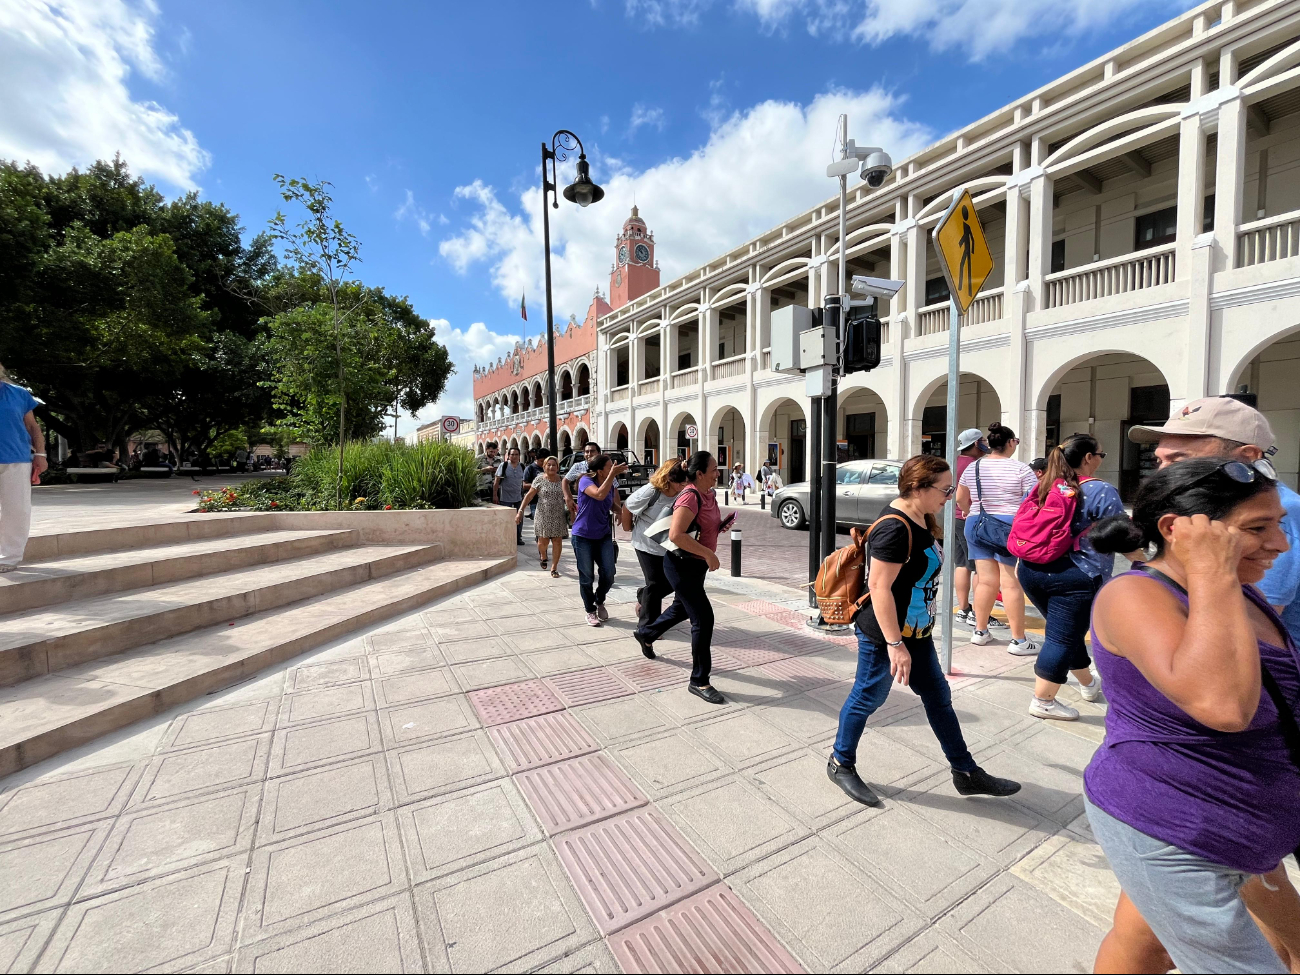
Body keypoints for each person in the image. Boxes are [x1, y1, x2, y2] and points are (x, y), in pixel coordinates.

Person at [1083, 458, 1300, 974]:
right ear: (1178, 530)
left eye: (1279, 525)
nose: (1281, 545)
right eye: (1256, 529)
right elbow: (1223, 706)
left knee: (1145, 943)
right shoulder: (1133, 594)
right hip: (1176, 822)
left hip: (1243, 818)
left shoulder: (1241, 594)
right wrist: (1210, 570)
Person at [827, 455, 1022, 806]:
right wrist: (894, 644)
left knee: (938, 698)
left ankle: (965, 771)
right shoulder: (894, 527)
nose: (950, 494)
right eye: (944, 488)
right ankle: (841, 762)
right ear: (917, 488)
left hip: (917, 632)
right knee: (868, 696)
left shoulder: (922, 517)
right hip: (886, 636)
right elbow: (879, 587)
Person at [1130, 395, 1300, 647]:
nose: (1162, 473)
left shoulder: (1277, 512)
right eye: (1159, 460)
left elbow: (1256, 628)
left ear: (1248, 456)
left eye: (1179, 460)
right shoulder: (1204, 509)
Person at [1015, 435, 1132, 721]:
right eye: (1101, 455)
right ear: (1088, 457)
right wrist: (1145, 562)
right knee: (1061, 638)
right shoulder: (1101, 491)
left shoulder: (1044, 485)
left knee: (1065, 633)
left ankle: (1088, 684)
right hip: (1077, 576)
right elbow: (1122, 535)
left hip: (1031, 569)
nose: (1101, 461)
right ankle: (1043, 701)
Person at [634, 451, 735, 703]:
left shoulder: (708, 494)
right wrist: (709, 555)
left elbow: (700, 526)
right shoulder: (689, 496)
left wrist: (718, 527)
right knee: (703, 618)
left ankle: (646, 633)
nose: (717, 473)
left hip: (696, 564)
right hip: (681, 565)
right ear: (699, 474)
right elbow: (677, 535)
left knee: (681, 608)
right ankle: (699, 681)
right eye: (713, 469)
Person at [955, 422, 1039, 654]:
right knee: (1010, 581)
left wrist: (967, 510)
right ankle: (1019, 640)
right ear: (1011, 443)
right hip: (1007, 526)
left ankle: (980, 632)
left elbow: (961, 497)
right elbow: (1034, 500)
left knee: (985, 579)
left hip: (976, 523)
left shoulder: (975, 467)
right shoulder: (1022, 469)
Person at [620, 458, 689, 656]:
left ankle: (644, 596)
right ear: (668, 479)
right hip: (645, 543)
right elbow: (628, 507)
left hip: (667, 544)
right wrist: (627, 528)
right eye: (679, 483)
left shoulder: (683, 491)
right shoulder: (651, 491)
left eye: (685, 483)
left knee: (668, 583)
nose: (681, 487)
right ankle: (647, 627)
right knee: (655, 583)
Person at [0, 363, 47, 572]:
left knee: (16, 510)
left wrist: (40, 454)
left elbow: (32, 427)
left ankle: (8, 557)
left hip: (16, 459)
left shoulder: (19, 394)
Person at [572, 453, 626, 625]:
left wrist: (624, 512)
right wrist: (612, 476)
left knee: (609, 573)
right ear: (600, 470)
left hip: (603, 534)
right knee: (587, 576)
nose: (612, 469)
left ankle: (599, 599)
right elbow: (599, 495)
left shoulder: (609, 483)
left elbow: (609, 502)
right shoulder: (585, 481)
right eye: (609, 466)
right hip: (583, 536)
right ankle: (590, 610)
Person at [951, 428, 989, 628]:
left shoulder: (953, 462)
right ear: (975, 444)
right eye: (982, 440)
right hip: (968, 518)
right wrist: (968, 510)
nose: (985, 444)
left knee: (962, 564)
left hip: (954, 520)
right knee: (979, 568)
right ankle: (976, 613)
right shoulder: (976, 465)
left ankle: (964, 609)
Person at [516, 455, 568, 576]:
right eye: (548, 465)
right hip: (542, 515)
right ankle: (543, 556)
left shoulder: (562, 480)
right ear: (544, 467)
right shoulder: (539, 479)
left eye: (554, 465)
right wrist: (521, 511)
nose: (551, 467)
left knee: (557, 541)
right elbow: (529, 496)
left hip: (558, 515)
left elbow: (568, 497)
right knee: (542, 541)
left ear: (557, 467)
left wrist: (572, 511)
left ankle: (554, 568)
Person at [563, 441, 619, 520]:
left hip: (603, 511)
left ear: (598, 453)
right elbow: (565, 481)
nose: (589, 454)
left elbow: (614, 488)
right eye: (586, 452)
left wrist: (618, 510)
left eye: (592, 451)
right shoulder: (579, 467)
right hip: (586, 512)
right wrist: (568, 498)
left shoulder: (605, 467)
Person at [494, 446, 527, 545]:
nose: (514, 456)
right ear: (508, 456)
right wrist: (495, 495)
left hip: (518, 497)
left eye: (516, 454)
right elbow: (497, 481)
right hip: (505, 497)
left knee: (519, 517)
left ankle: (518, 537)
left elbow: (524, 482)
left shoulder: (522, 466)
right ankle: (505, 537)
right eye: (512, 454)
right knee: (506, 518)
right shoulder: (503, 465)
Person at [522, 449, 547, 521]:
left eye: (546, 461)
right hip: (535, 501)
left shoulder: (548, 468)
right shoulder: (530, 468)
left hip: (547, 501)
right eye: (542, 461)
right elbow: (524, 485)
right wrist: (539, 485)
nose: (543, 464)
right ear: (536, 458)